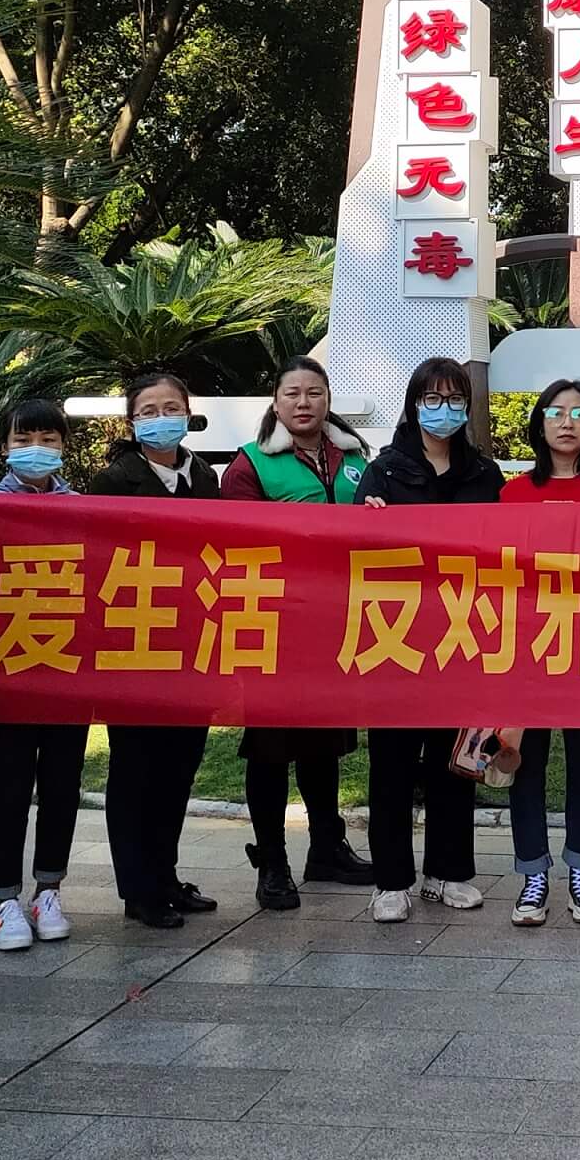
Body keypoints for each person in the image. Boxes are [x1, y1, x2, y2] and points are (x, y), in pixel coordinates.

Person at [222, 357, 374, 911]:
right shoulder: (250, 464)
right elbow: (238, 542)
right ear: (276, 401)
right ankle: (272, 862)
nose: (304, 403)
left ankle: (327, 849)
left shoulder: (354, 458)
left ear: (328, 399)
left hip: (335, 625)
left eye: (314, 392)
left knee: (323, 745)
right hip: (273, 625)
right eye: (293, 393)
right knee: (270, 749)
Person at [355, 357, 500, 923]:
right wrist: (367, 522)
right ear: (414, 405)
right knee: (392, 763)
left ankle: (449, 871)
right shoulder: (384, 472)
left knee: (455, 761)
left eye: (455, 399)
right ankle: (391, 880)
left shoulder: (484, 476)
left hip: (462, 635)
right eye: (432, 399)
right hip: (397, 638)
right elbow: (354, 554)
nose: (444, 410)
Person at [88, 370, 224, 928]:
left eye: (172, 408)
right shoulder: (112, 482)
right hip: (135, 646)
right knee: (136, 771)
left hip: (193, 645)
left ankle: (165, 876)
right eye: (149, 410)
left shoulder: (205, 476)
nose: (161, 418)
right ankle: (138, 889)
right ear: (132, 421)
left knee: (179, 768)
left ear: (188, 413)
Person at [498, 377, 580, 927]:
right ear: (540, 423)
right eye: (556, 412)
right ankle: (533, 873)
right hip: (527, 645)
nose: (567, 422)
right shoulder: (513, 493)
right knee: (523, 759)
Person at [0, 395, 85, 950]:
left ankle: (49, 890)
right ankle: (4, 899)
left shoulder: (84, 509)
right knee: (9, 787)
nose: (36, 450)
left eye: (48, 440)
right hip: (10, 668)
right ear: (4, 448)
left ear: (64, 447)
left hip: (67, 669)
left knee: (62, 785)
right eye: (23, 440)